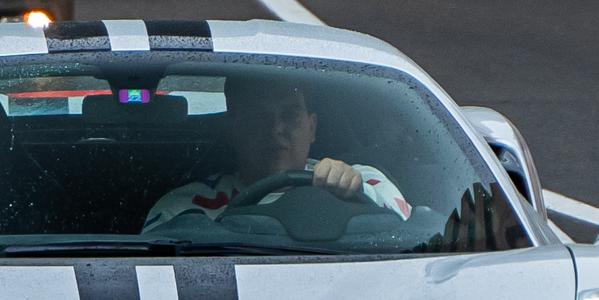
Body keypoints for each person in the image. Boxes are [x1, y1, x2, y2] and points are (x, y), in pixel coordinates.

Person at [142, 76, 411, 231]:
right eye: (256, 117)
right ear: (232, 131)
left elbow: (412, 239)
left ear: (312, 128)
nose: (275, 128)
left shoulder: (364, 181)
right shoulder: (185, 209)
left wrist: (356, 196)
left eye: (290, 115)